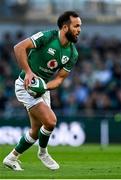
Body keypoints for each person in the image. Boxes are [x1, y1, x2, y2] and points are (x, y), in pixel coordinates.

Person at [3, 11, 82, 171]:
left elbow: (60, 79)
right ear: (65, 27)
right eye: (76, 26)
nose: (79, 29)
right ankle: (43, 152)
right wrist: (29, 71)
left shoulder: (72, 53)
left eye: (80, 26)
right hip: (25, 85)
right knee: (51, 121)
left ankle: (11, 158)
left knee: (35, 130)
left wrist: (44, 87)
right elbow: (19, 47)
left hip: (41, 87)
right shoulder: (48, 37)